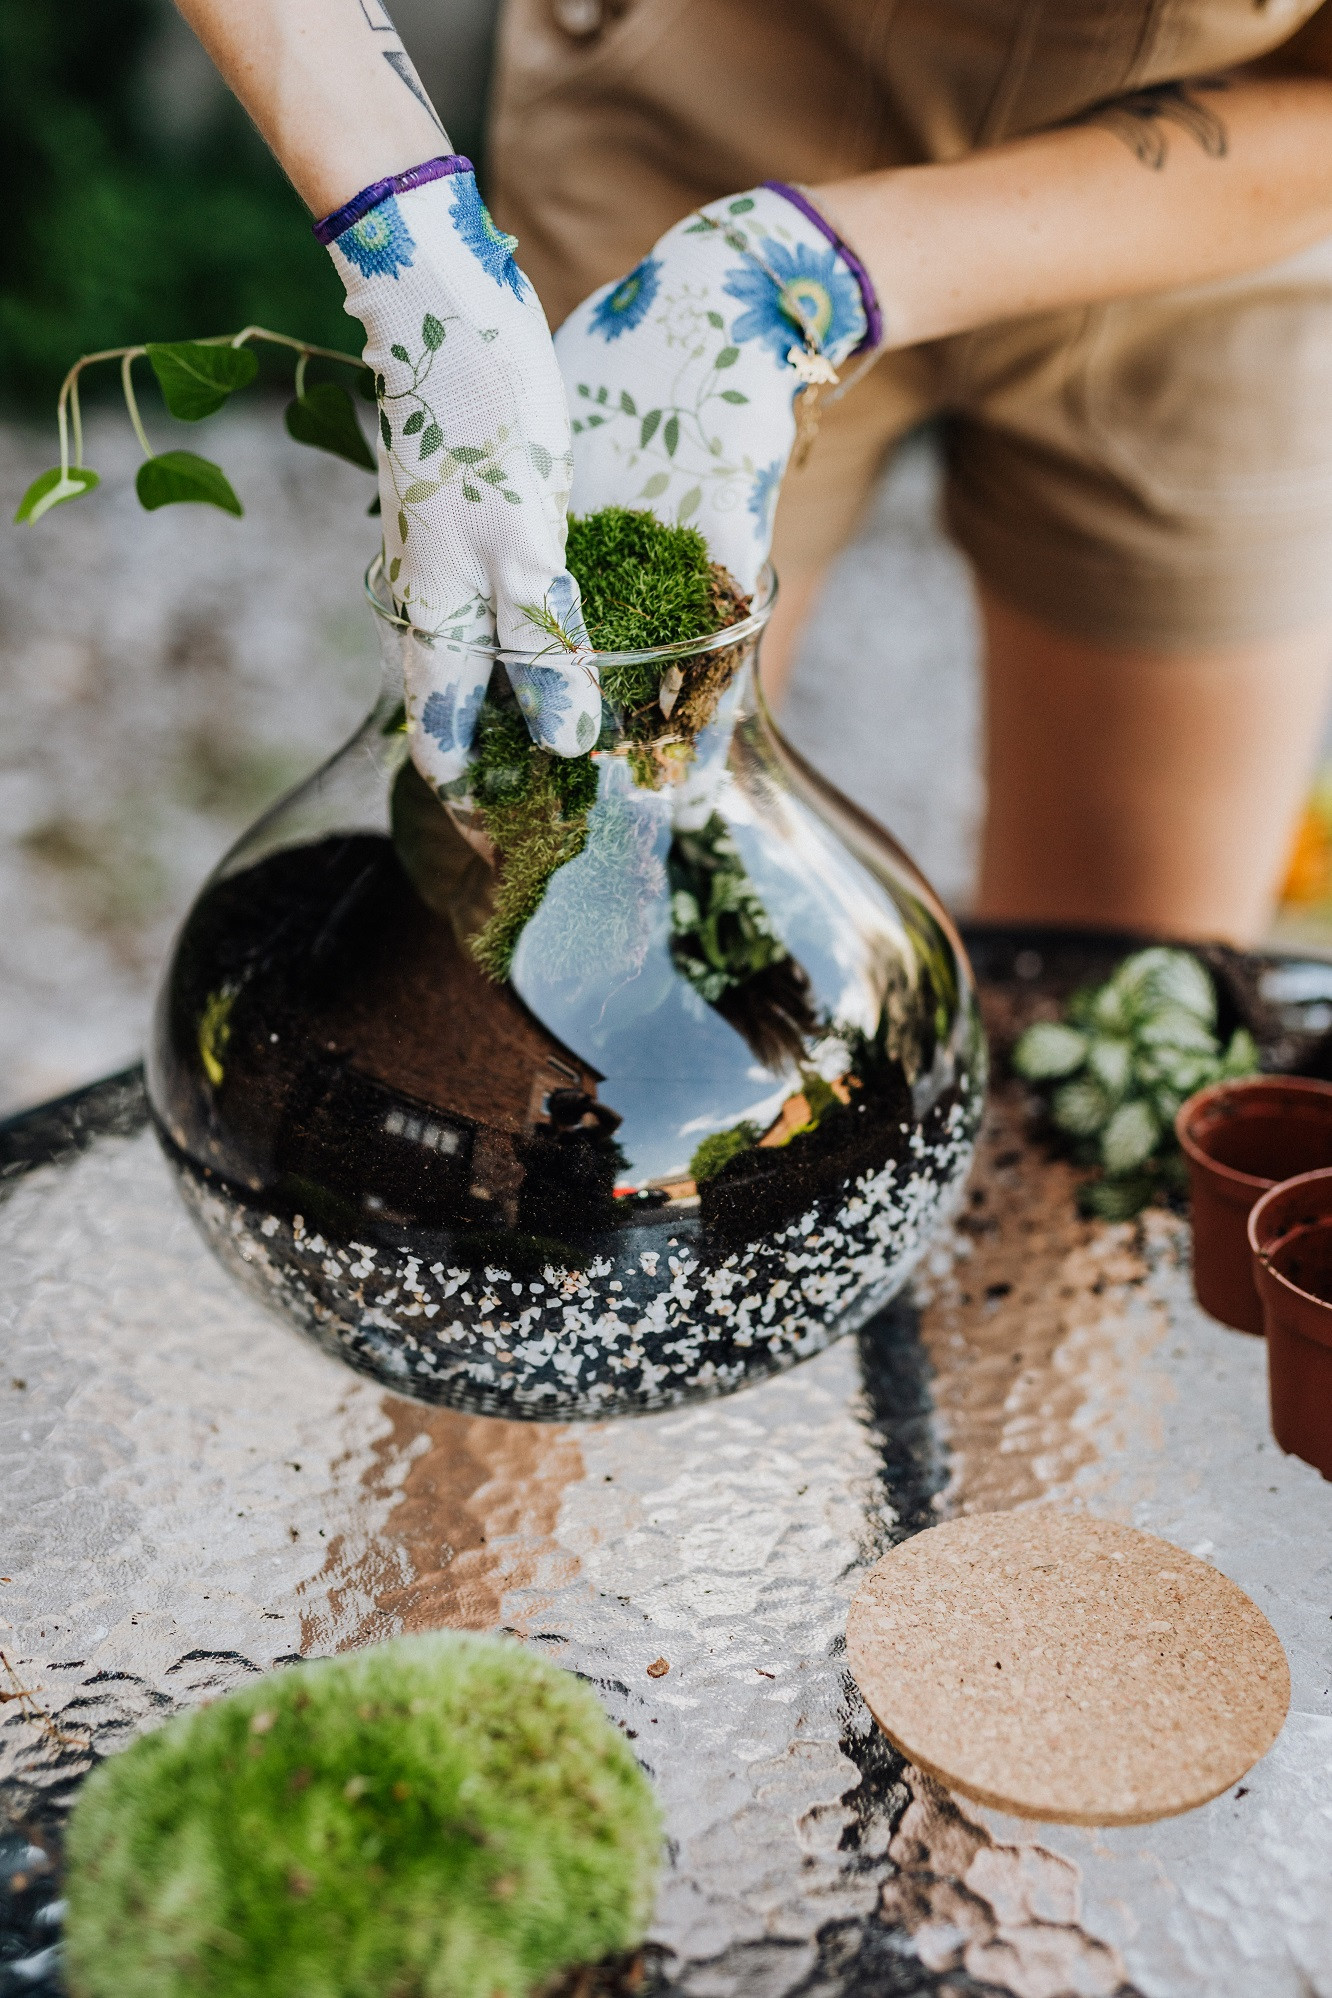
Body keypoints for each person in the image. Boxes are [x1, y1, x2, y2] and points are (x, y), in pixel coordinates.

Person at [174, 0, 1332, 944]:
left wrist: (814, 268)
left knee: (1127, 993)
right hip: (704, 97)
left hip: (1219, 203)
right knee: (535, 906)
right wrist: (407, 240)